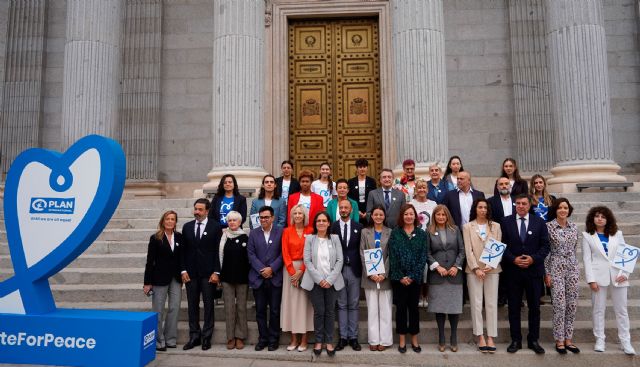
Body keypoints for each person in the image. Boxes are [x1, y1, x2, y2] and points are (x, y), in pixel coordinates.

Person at [582, 206, 635, 355]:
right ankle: (600, 340)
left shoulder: (618, 234)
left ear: (608, 219)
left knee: (622, 311)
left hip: (619, 277)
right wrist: (591, 279)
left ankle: (626, 341)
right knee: (598, 310)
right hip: (598, 277)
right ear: (592, 218)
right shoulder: (587, 236)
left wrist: (625, 273)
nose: (600, 218)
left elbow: (626, 255)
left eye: (603, 216)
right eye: (597, 216)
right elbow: (586, 259)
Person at [502, 194, 550, 354]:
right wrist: (513, 259)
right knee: (513, 308)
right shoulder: (506, 222)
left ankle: (533, 339)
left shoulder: (540, 222)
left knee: (534, 307)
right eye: (518, 203)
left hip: (533, 272)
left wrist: (533, 259)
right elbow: (501, 245)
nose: (520, 206)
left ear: (530, 205)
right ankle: (516, 339)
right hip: (513, 272)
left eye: (524, 204)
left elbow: (545, 246)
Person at [180, 198, 223, 351]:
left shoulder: (216, 227)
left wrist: (217, 272)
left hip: (208, 274)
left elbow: (218, 251)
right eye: (195, 209)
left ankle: (206, 337)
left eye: (200, 210)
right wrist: (183, 270)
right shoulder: (187, 227)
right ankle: (194, 336)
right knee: (192, 306)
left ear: (207, 211)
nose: (196, 212)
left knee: (208, 305)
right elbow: (182, 251)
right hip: (191, 274)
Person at [301, 211, 345, 357]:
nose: (321, 223)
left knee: (330, 312)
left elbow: (340, 260)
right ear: (315, 223)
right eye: (318, 221)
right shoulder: (310, 239)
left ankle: (329, 341)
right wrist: (320, 279)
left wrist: (329, 280)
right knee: (319, 312)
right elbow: (307, 261)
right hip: (315, 282)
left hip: (332, 282)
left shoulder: (335, 238)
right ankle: (319, 341)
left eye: (324, 220)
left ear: (328, 223)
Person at [462, 199, 502, 353]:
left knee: (491, 304)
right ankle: (480, 336)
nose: (483, 209)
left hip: (492, 269)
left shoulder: (496, 226)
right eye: (480, 207)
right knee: (477, 304)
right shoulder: (467, 226)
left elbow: (498, 246)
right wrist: (476, 268)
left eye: (485, 207)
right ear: (475, 209)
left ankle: (491, 336)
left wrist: (491, 264)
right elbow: (468, 249)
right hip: (474, 271)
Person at [389, 204, 428, 353]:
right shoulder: (396, 233)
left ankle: (414, 339)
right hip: (399, 279)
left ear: (415, 216)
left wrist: (412, 276)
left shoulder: (421, 234)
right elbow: (392, 256)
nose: (409, 216)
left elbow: (423, 256)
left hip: (414, 279)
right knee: (400, 309)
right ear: (402, 216)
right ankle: (402, 339)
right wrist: (401, 276)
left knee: (414, 309)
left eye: (411, 214)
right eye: (406, 214)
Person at [426, 205, 465, 353]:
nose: (441, 217)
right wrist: (437, 266)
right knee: (440, 308)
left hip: (455, 274)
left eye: (443, 215)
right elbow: (427, 253)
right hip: (438, 275)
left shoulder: (455, 230)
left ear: (447, 215)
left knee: (454, 308)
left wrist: (456, 266)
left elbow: (462, 250)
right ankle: (441, 336)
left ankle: (453, 336)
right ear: (434, 216)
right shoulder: (428, 231)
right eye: (438, 215)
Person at [143, 210, 183, 352]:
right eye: (167, 219)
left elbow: (181, 258)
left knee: (174, 307)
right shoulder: (155, 238)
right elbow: (150, 261)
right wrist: (147, 282)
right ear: (163, 221)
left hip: (176, 278)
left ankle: (171, 339)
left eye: (173, 219)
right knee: (158, 310)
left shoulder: (179, 237)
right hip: (159, 278)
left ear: (175, 222)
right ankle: (159, 341)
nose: (170, 221)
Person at [544, 198, 580, 354]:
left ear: (569, 210)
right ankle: (559, 339)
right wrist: (547, 273)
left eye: (565, 207)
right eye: (560, 207)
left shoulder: (574, 227)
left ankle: (568, 339)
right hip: (556, 267)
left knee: (571, 304)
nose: (563, 210)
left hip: (572, 268)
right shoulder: (549, 227)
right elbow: (546, 252)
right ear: (555, 210)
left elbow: (575, 248)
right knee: (559, 305)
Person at [247, 206, 284, 351]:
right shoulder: (253, 233)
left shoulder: (281, 232)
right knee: (260, 311)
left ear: (273, 218)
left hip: (275, 278)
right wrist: (262, 269)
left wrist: (272, 268)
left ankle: (274, 339)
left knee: (275, 310)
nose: (263, 220)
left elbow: (283, 253)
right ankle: (263, 338)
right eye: (261, 217)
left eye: (266, 217)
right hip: (258, 278)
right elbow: (250, 254)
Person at [330, 199, 364, 351]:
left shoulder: (359, 227)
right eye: (341, 207)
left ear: (351, 210)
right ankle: (343, 338)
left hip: (354, 270)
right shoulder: (333, 227)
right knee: (342, 304)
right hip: (338, 270)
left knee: (354, 304)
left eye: (346, 207)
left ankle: (353, 337)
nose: (343, 210)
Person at [359, 205, 393, 351]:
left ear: (384, 216)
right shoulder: (364, 232)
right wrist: (371, 273)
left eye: (381, 215)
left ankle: (384, 341)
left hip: (385, 277)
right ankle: (373, 340)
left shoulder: (390, 232)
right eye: (375, 214)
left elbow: (391, 254)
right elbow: (362, 252)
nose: (378, 217)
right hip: (370, 277)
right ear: (371, 216)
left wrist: (383, 273)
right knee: (372, 309)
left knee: (385, 309)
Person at [281, 204, 314, 352]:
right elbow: (285, 252)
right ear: (292, 216)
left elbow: (311, 254)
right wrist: (292, 272)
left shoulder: (311, 231)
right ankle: (294, 339)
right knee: (292, 304)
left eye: (300, 213)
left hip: (306, 269)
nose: (298, 215)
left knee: (305, 305)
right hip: (290, 270)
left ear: (305, 216)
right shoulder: (287, 231)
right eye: (295, 213)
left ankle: (305, 339)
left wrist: (301, 271)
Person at [218, 211, 249, 350]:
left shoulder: (245, 237)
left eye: (234, 220)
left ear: (240, 222)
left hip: (242, 277)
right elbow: (219, 256)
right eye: (229, 220)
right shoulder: (223, 237)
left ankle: (240, 336)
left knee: (241, 307)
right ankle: (230, 337)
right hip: (226, 277)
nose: (232, 222)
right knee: (229, 308)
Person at [410, 178, 437, 308]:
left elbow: (436, 221)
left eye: (424, 188)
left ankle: (427, 295)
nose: (421, 190)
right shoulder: (411, 203)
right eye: (419, 188)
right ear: (416, 190)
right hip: (415, 239)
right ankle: (420, 295)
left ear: (427, 189)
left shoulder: (433, 204)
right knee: (419, 269)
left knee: (429, 268)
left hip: (430, 238)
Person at [348, 158, 377, 226]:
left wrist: (368, 212)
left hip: (368, 212)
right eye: (360, 167)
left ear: (367, 168)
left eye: (364, 167)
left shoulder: (372, 181)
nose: (362, 169)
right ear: (357, 168)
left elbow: (375, 197)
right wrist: (356, 210)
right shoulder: (351, 182)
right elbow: (349, 198)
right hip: (355, 211)